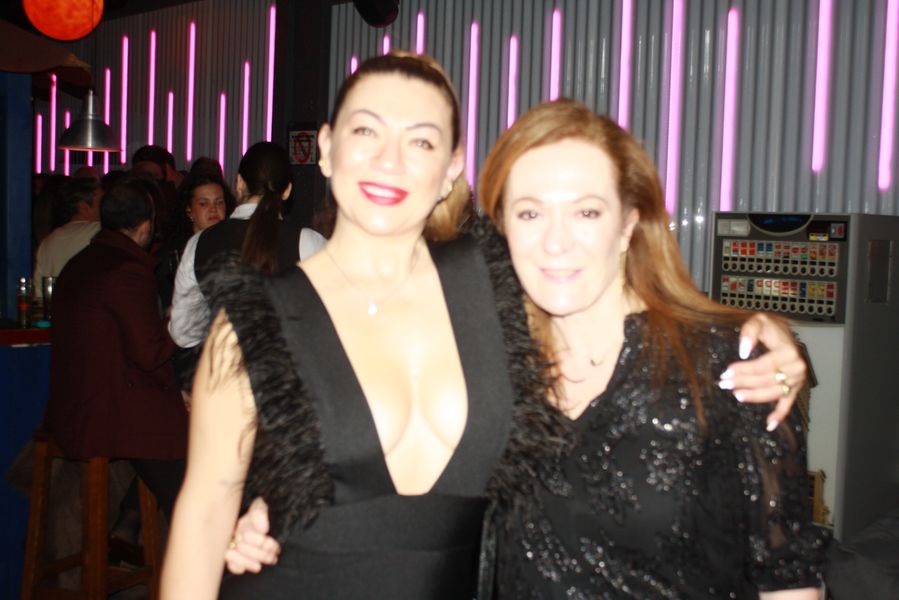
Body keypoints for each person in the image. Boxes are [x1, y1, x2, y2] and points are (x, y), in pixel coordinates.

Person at [167, 54, 807, 599]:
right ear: (327, 149)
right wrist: (266, 500)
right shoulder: (255, 322)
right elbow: (203, 514)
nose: (390, 161)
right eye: (367, 131)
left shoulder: (496, 292)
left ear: (452, 167)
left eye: (421, 141)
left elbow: (613, 285)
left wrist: (760, 331)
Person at [478, 100, 827, 598]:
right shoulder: (487, 358)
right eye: (530, 212)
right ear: (503, 226)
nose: (555, 242)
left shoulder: (727, 364)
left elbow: (786, 579)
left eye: (586, 212)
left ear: (627, 224)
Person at [46, 176, 187, 521]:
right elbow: (150, 353)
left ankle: (130, 522)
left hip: (72, 408)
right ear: (145, 226)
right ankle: (191, 531)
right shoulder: (128, 271)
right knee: (196, 461)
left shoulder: (80, 263)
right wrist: (177, 320)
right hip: (105, 413)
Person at [167, 142, 326, 359]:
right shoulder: (309, 243)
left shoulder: (199, 242)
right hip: (289, 372)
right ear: (287, 190)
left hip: (224, 372)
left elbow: (184, 333)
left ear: (240, 183)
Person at [156, 173, 236, 313]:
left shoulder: (233, 246)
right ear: (189, 209)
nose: (213, 209)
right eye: (203, 204)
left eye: (219, 202)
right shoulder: (175, 253)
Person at [32, 176, 101, 299]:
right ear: (83, 207)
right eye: (102, 202)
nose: (108, 206)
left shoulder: (47, 242)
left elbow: (40, 295)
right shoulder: (100, 232)